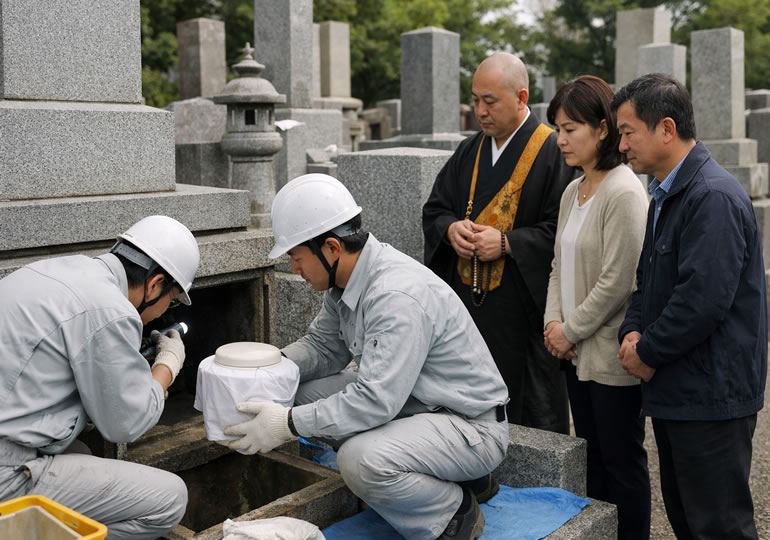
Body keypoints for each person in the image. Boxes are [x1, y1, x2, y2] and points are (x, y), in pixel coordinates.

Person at [223, 174, 509, 540]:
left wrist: (287, 424)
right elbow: (324, 347)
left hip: (468, 426)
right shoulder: (347, 279)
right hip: (419, 405)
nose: (293, 268)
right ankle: (457, 475)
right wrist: (268, 368)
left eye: (295, 256)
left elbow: (375, 401)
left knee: (359, 460)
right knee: (298, 391)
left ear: (331, 248)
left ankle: (451, 511)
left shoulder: (394, 296)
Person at [613, 73, 767, 539]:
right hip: (681, 388)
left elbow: (702, 300)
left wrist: (647, 351)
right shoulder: (665, 194)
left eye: (627, 132)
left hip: (711, 393)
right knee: (688, 519)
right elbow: (647, 281)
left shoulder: (711, 196)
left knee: (718, 526)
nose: (621, 146)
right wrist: (632, 330)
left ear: (666, 128)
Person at [0, 215, 200, 539]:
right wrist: (166, 366)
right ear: (155, 284)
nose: (165, 312)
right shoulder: (110, 310)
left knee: (81, 453)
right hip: (5, 472)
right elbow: (126, 423)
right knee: (170, 500)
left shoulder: (56, 271)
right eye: (171, 300)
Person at [422, 52, 573, 432]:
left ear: (522, 98)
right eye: (475, 100)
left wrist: (507, 243)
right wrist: (450, 230)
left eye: (490, 101)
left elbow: (564, 231)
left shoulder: (554, 151)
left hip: (524, 316)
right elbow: (435, 209)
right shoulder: (469, 151)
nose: (480, 112)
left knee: (530, 415)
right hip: (469, 313)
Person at [542, 75, 650, 540]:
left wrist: (570, 330)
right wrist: (553, 322)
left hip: (608, 354)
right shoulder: (574, 190)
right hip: (573, 352)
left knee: (622, 461)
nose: (561, 140)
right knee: (592, 463)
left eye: (570, 129)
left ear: (602, 129)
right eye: (558, 130)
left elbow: (619, 281)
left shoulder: (623, 191)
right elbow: (557, 265)